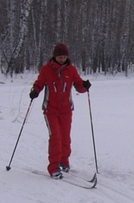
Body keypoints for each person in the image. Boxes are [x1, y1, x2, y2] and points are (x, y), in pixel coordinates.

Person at [29, 43, 91, 178]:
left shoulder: (71, 70)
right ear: (54, 56)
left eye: (64, 57)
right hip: (50, 110)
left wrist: (84, 86)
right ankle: (53, 167)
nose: (62, 59)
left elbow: (79, 86)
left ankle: (64, 161)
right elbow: (39, 83)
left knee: (65, 138)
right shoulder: (46, 70)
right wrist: (35, 91)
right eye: (59, 57)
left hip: (66, 110)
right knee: (55, 137)